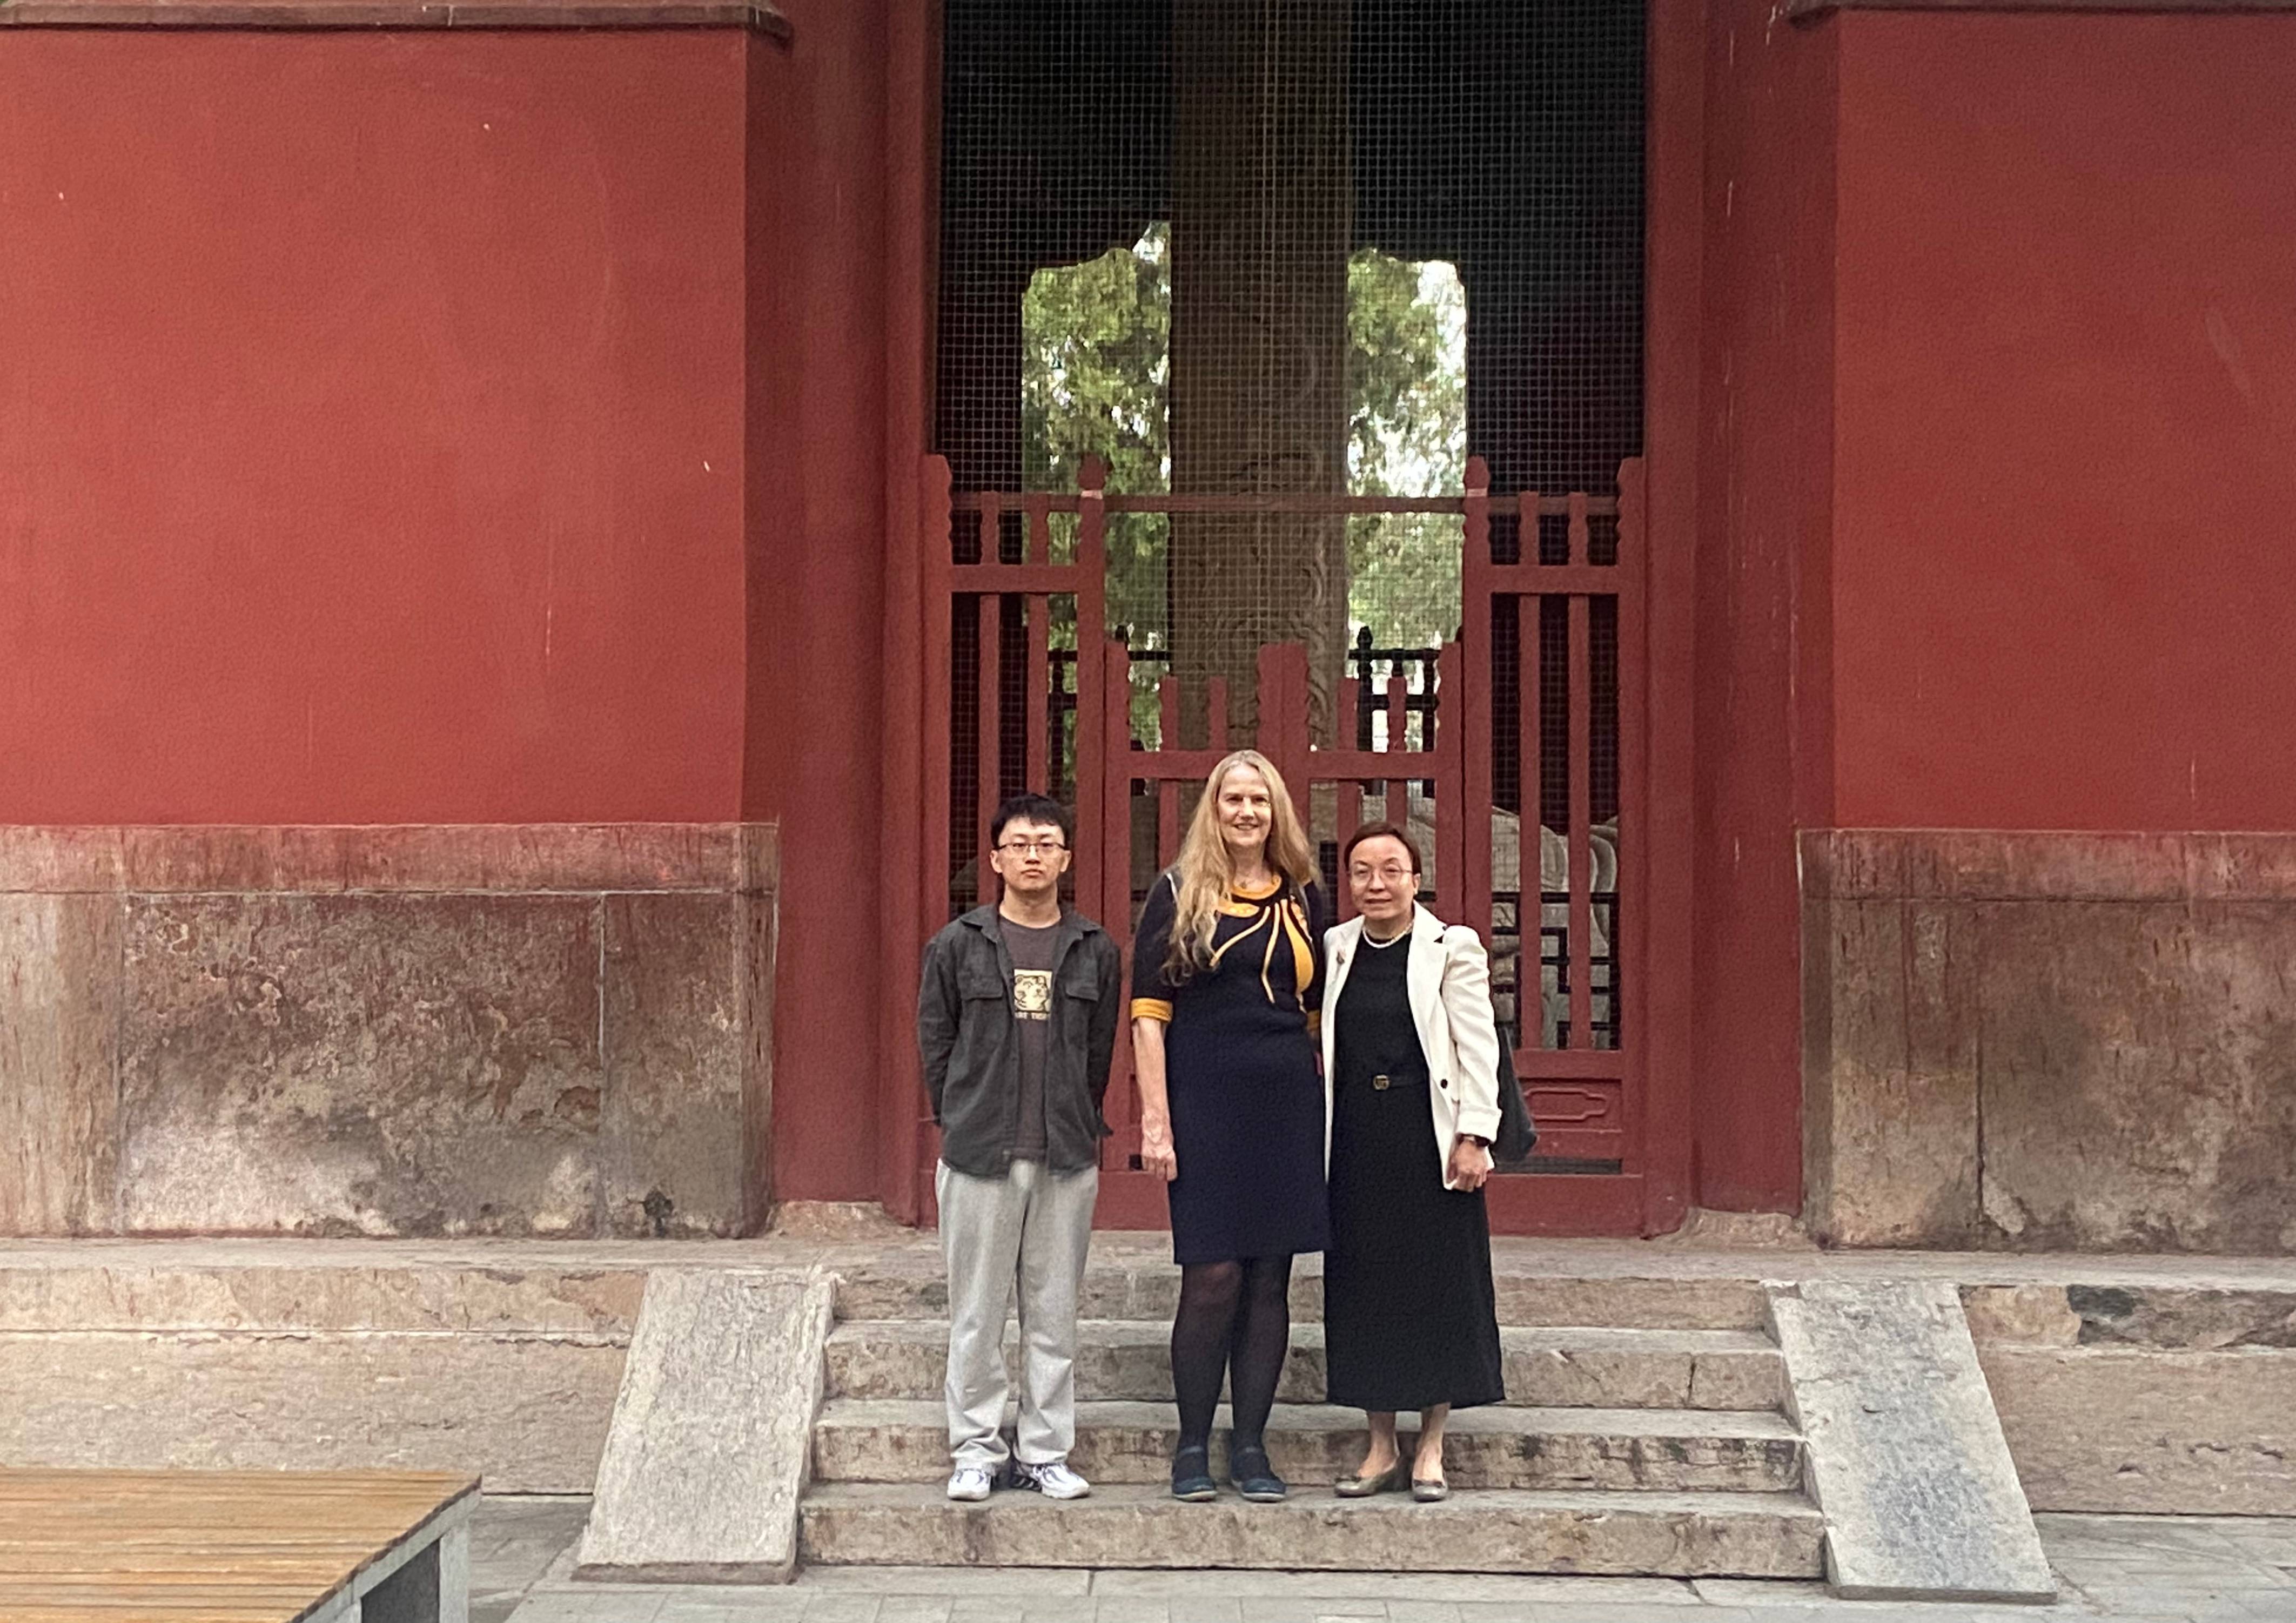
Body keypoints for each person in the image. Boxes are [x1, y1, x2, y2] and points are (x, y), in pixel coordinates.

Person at [1130, 749, 1330, 1504]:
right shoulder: (1178, 893)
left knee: (1271, 1278)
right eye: (1232, 799)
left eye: (1259, 800)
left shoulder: (1305, 895)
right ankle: (1190, 1444)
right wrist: (1157, 1122)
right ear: (1211, 812)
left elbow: (1317, 1016)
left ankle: (1250, 1443)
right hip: (1204, 1103)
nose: (1246, 812)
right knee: (1212, 1275)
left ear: (1276, 811)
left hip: (1285, 1105)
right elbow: (1148, 1017)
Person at [917, 792, 1124, 1504]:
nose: (1032, 855)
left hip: (1065, 1152)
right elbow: (935, 1045)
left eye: (1046, 844)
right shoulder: (955, 945)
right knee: (976, 1311)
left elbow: (1098, 1054)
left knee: (1054, 1310)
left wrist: (1073, 1111)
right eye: (1019, 843)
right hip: (980, 1154)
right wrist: (962, 1115)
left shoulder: (1093, 947)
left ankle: (1044, 1450)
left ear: (1065, 858)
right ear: (997, 858)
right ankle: (974, 1448)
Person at [1319, 819, 1506, 1502]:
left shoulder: (1449, 946)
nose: (1376, 882)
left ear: (1415, 878)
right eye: (1362, 870)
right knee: (1365, 1284)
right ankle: (1378, 1444)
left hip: (1430, 1135)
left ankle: (1430, 1443)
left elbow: (1476, 1043)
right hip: (1359, 1138)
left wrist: (1475, 1134)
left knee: (1437, 1284)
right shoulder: (1337, 946)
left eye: (1390, 869)